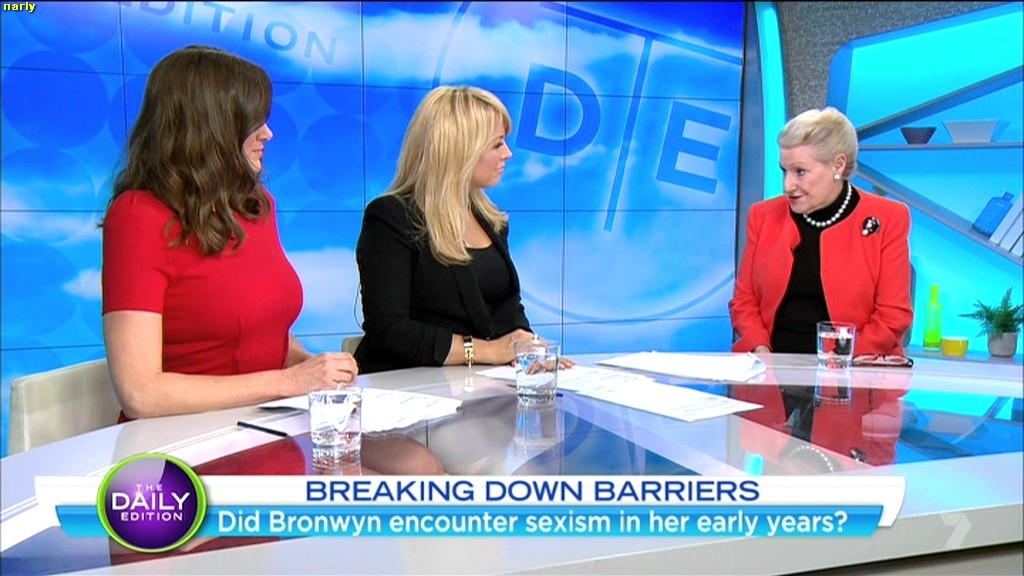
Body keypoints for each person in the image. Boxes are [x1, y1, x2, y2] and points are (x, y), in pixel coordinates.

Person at [102, 45, 442, 475]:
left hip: (265, 418)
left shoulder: (256, 206)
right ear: (211, 126)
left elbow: (265, 335)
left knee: (418, 466)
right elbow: (141, 393)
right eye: (254, 122)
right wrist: (288, 383)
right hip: (181, 439)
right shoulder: (138, 216)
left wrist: (317, 371)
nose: (268, 134)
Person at [354, 85, 557, 373]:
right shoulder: (391, 217)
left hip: (477, 383)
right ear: (461, 152)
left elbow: (506, 309)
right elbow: (389, 329)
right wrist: (487, 351)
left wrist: (528, 349)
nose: (508, 154)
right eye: (497, 144)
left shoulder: (491, 220)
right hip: (407, 383)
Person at [729, 107, 913, 356]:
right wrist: (761, 351)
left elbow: (893, 316)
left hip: (855, 365)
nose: (788, 185)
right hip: (771, 362)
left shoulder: (889, 217)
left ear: (838, 165)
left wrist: (837, 361)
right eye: (784, 171)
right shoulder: (762, 216)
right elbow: (744, 301)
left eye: (800, 172)